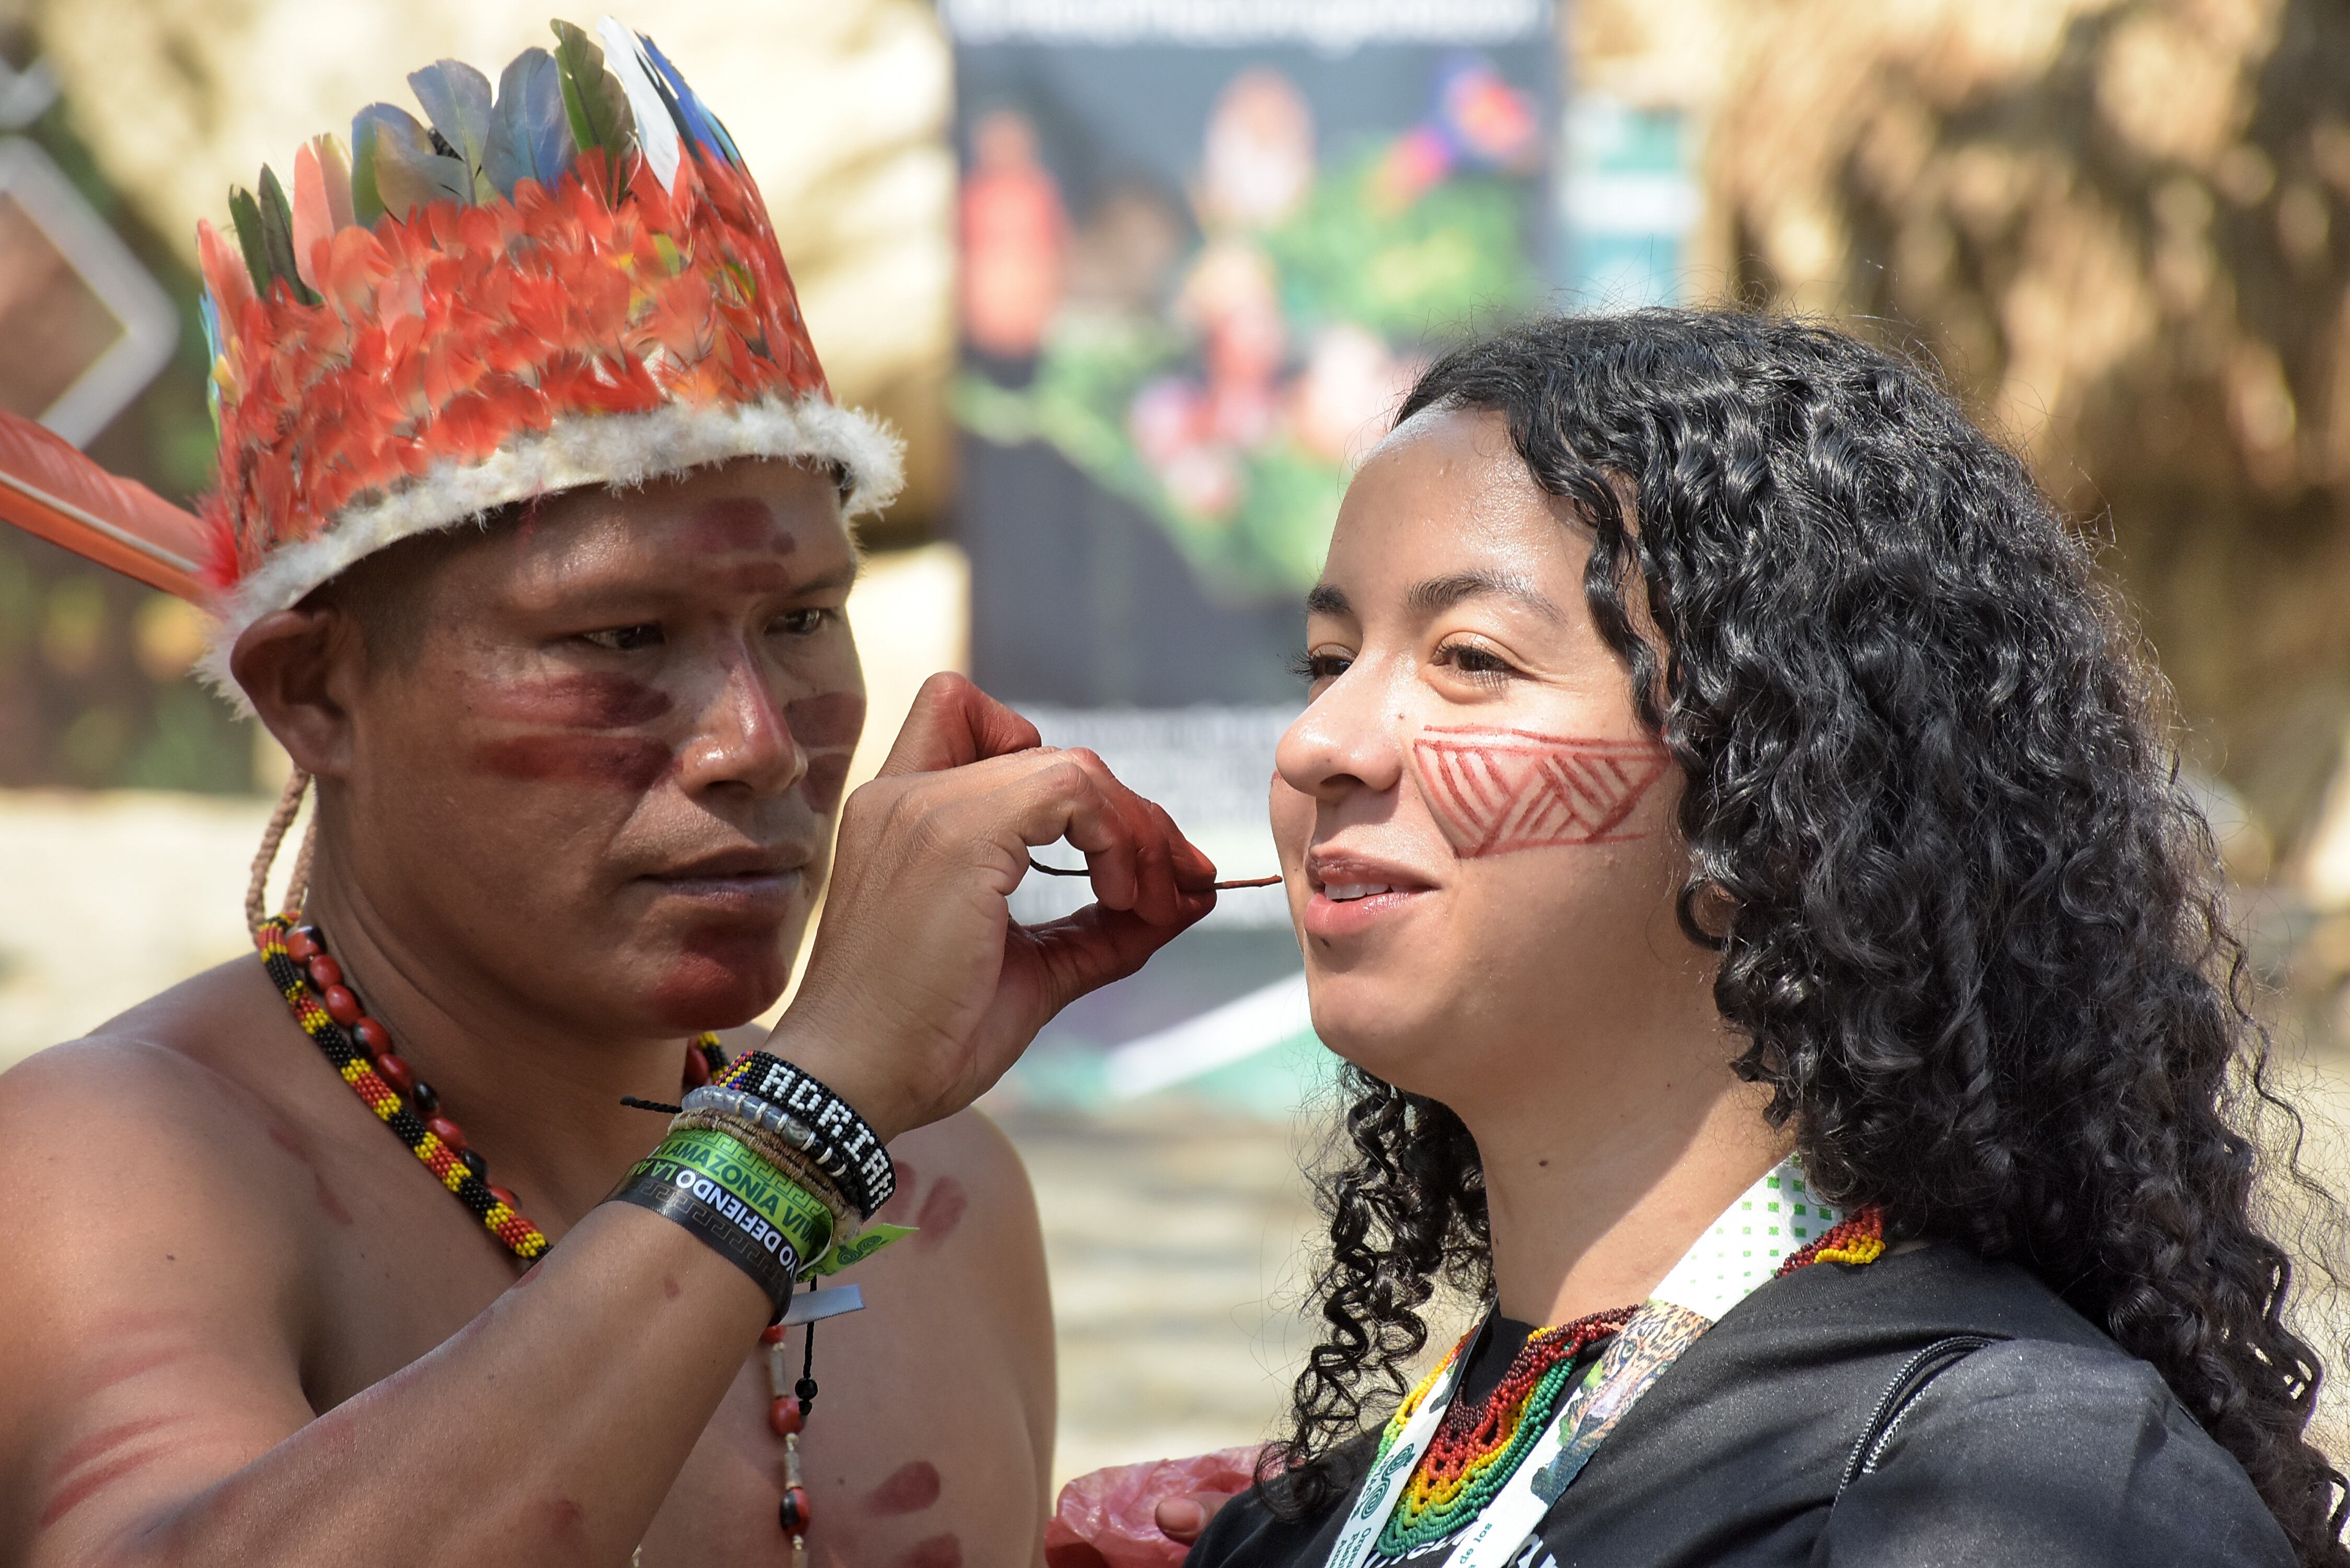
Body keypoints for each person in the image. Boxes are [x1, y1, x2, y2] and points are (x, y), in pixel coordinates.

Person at [0, 24, 1215, 1568]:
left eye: (800, 620)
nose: (758, 744)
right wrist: (798, 1124)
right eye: (620, 638)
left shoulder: (940, 1189)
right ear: (317, 695)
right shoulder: (109, 1161)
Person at [1162, 310, 2347, 1566]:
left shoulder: (2006, 1489)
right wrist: (916, 1090)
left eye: (1469, 658)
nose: (1319, 743)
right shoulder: (1305, 1527)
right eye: (1327, 659)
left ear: (1782, 796)